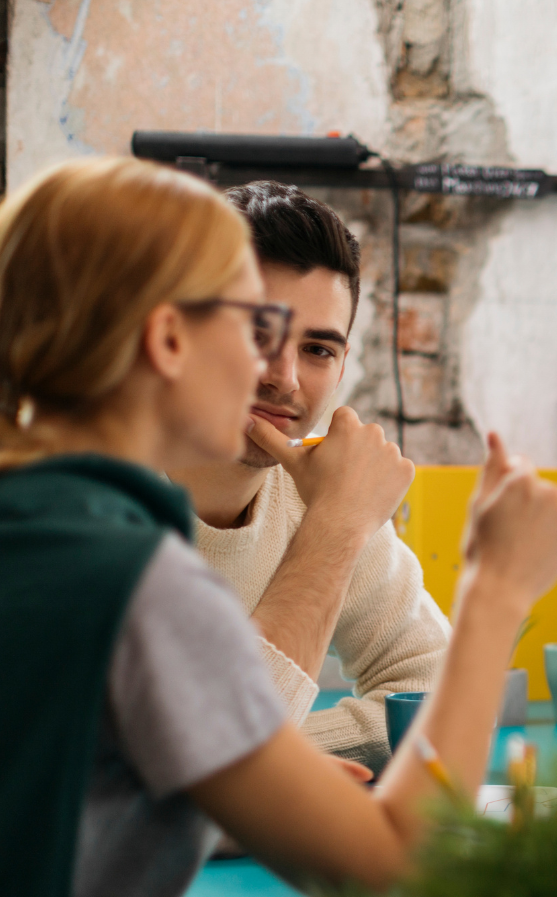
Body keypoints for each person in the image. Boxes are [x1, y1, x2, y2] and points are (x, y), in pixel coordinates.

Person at [0, 158, 557, 897]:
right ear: (167, 339)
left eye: (313, 344)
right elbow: (394, 867)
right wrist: (497, 592)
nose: (273, 372)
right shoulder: (130, 580)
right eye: (253, 325)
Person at [170, 181, 448, 774]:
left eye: (318, 349)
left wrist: (281, 766)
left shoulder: (316, 493)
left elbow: (438, 685)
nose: (285, 379)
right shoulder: (84, 502)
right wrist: (339, 524)